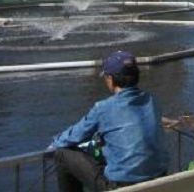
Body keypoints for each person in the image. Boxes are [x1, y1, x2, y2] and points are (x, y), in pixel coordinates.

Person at [49, 50, 168, 192]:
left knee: (61, 154)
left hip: (120, 187)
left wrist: (54, 143)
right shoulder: (151, 100)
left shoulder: (104, 108)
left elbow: (75, 135)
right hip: (159, 180)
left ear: (110, 79)